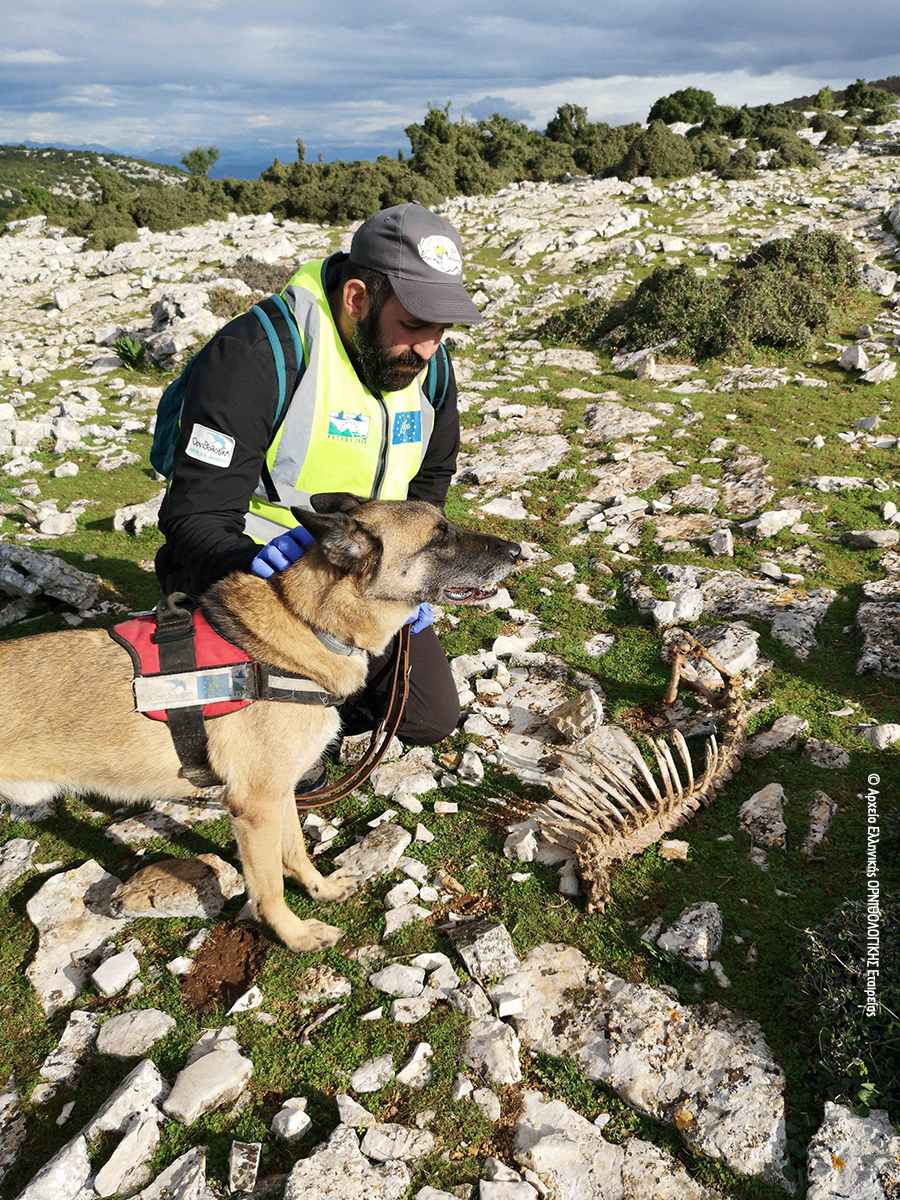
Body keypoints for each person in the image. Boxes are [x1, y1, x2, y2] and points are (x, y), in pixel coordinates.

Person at [155, 202, 483, 751]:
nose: (429, 347)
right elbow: (194, 514)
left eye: (442, 330)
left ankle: (318, 696)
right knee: (282, 760)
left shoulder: (429, 364)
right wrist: (249, 564)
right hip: (259, 576)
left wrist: (417, 571)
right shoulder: (256, 354)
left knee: (428, 718)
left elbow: (433, 476)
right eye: (412, 325)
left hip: (370, 581)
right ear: (357, 298)